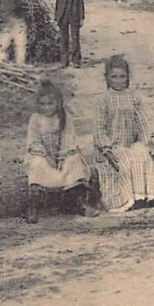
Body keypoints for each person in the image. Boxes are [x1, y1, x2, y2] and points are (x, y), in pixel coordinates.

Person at [93, 54, 154, 212]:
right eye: (114, 77)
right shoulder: (103, 100)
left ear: (127, 77)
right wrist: (106, 147)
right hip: (112, 147)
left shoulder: (133, 97)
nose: (118, 80)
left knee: (141, 155)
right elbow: (99, 128)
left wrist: (144, 142)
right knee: (126, 160)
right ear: (107, 78)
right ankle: (131, 198)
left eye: (122, 77)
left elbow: (142, 123)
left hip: (130, 143)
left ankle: (149, 195)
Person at [25, 80, 95, 223]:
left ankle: (78, 203)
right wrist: (46, 156)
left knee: (74, 161)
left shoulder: (64, 117)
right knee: (37, 164)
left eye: (50, 104)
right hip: (44, 156)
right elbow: (34, 141)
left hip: (61, 156)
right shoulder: (36, 119)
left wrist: (62, 157)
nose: (46, 108)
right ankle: (33, 207)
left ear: (58, 103)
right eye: (42, 104)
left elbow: (68, 139)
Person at [54, 0, 85, 68]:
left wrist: (81, 18)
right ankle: (64, 61)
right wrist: (56, 18)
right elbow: (57, 4)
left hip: (74, 15)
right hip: (63, 16)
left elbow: (81, 4)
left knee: (75, 38)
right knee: (64, 39)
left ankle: (76, 60)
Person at [0, 0, 28, 65]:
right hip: (10, 20)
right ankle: (3, 61)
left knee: (18, 43)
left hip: (15, 20)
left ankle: (16, 62)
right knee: (8, 42)